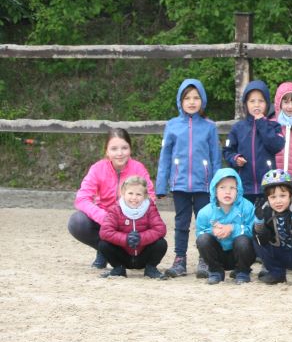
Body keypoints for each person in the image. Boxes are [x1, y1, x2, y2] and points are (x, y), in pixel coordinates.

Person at [156, 78, 222, 279]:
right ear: (180, 100)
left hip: (204, 184)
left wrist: (217, 184)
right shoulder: (172, 125)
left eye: (196, 97)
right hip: (180, 184)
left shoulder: (210, 127)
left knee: (205, 222)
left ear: (202, 100)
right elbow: (165, 156)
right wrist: (161, 185)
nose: (192, 101)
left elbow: (216, 157)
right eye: (187, 98)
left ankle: (204, 259)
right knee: (181, 223)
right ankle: (180, 259)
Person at [68, 129, 155, 269]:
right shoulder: (97, 168)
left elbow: (149, 197)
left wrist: (131, 217)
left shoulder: (138, 168)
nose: (119, 153)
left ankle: (124, 254)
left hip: (131, 220)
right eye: (114, 149)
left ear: (130, 149)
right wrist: (104, 217)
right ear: (106, 151)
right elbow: (82, 198)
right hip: (104, 220)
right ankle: (104, 250)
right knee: (77, 222)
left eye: (124, 148)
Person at [222, 80, 284, 204]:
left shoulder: (274, 126)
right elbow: (227, 151)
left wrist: (262, 123)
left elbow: (276, 145)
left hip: (268, 186)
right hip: (244, 187)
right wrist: (236, 158)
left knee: (266, 221)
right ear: (245, 104)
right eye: (252, 101)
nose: (256, 105)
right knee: (246, 221)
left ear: (267, 104)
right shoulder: (238, 128)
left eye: (261, 101)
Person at [252, 169, 292, 285]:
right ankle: (276, 273)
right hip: (280, 253)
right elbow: (262, 240)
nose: (278, 201)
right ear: (268, 198)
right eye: (273, 197)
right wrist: (259, 223)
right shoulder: (265, 210)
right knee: (256, 239)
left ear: (290, 195)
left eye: (282, 196)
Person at [97, 176, 167, 279]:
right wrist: (126, 238)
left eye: (138, 194)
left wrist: (141, 238)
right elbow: (105, 232)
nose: (134, 197)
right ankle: (118, 268)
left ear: (145, 196)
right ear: (123, 193)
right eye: (130, 193)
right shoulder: (115, 209)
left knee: (161, 243)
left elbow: (160, 229)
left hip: (143, 255)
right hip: (124, 256)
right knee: (103, 244)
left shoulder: (150, 208)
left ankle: (151, 268)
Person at [195, 168, 257, 284]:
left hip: (240, 253)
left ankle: (242, 272)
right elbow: (199, 233)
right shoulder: (205, 212)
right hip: (219, 254)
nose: (227, 192)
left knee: (243, 240)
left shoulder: (247, 207)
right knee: (203, 240)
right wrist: (213, 231)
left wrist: (232, 228)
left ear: (238, 190)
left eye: (232, 188)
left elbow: (254, 231)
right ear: (215, 190)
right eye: (222, 187)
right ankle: (215, 271)